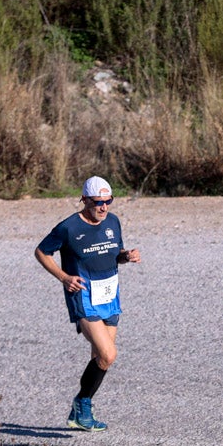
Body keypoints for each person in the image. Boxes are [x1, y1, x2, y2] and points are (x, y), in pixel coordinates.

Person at [35, 176, 141, 431]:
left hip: (110, 295)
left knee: (100, 357)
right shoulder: (68, 227)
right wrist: (63, 277)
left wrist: (126, 256)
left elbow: (115, 254)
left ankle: (81, 411)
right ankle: (82, 403)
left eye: (108, 201)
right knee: (108, 354)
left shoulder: (113, 221)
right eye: (98, 202)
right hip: (84, 296)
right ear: (84, 200)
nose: (104, 207)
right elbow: (41, 251)